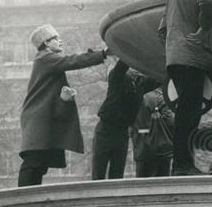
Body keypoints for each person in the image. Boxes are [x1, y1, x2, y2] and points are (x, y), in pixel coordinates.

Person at [18, 24, 108, 186]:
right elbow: (72, 61)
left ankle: (28, 197)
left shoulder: (46, 60)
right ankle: (22, 199)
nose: (60, 41)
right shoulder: (46, 58)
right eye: (56, 38)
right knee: (34, 161)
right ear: (46, 43)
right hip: (38, 118)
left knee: (39, 163)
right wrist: (102, 54)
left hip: (39, 117)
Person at [157, 0, 212, 176]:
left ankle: (181, 165)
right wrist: (203, 31)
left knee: (184, 112)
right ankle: (184, 166)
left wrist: (175, 45)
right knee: (190, 114)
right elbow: (209, 0)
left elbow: (161, 28)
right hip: (191, 58)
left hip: (175, 58)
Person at [92, 60, 158, 180]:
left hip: (122, 132)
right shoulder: (117, 78)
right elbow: (123, 62)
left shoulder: (140, 85)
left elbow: (160, 77)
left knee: (117, 174)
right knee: (98, 172)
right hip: (105, 130)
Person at [132, 90, 174, 177]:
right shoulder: (160, 97)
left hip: (141, 148)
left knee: (142, 183)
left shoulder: (134, 97)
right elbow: (170, 121)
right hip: (161, 148)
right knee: (162, 184)